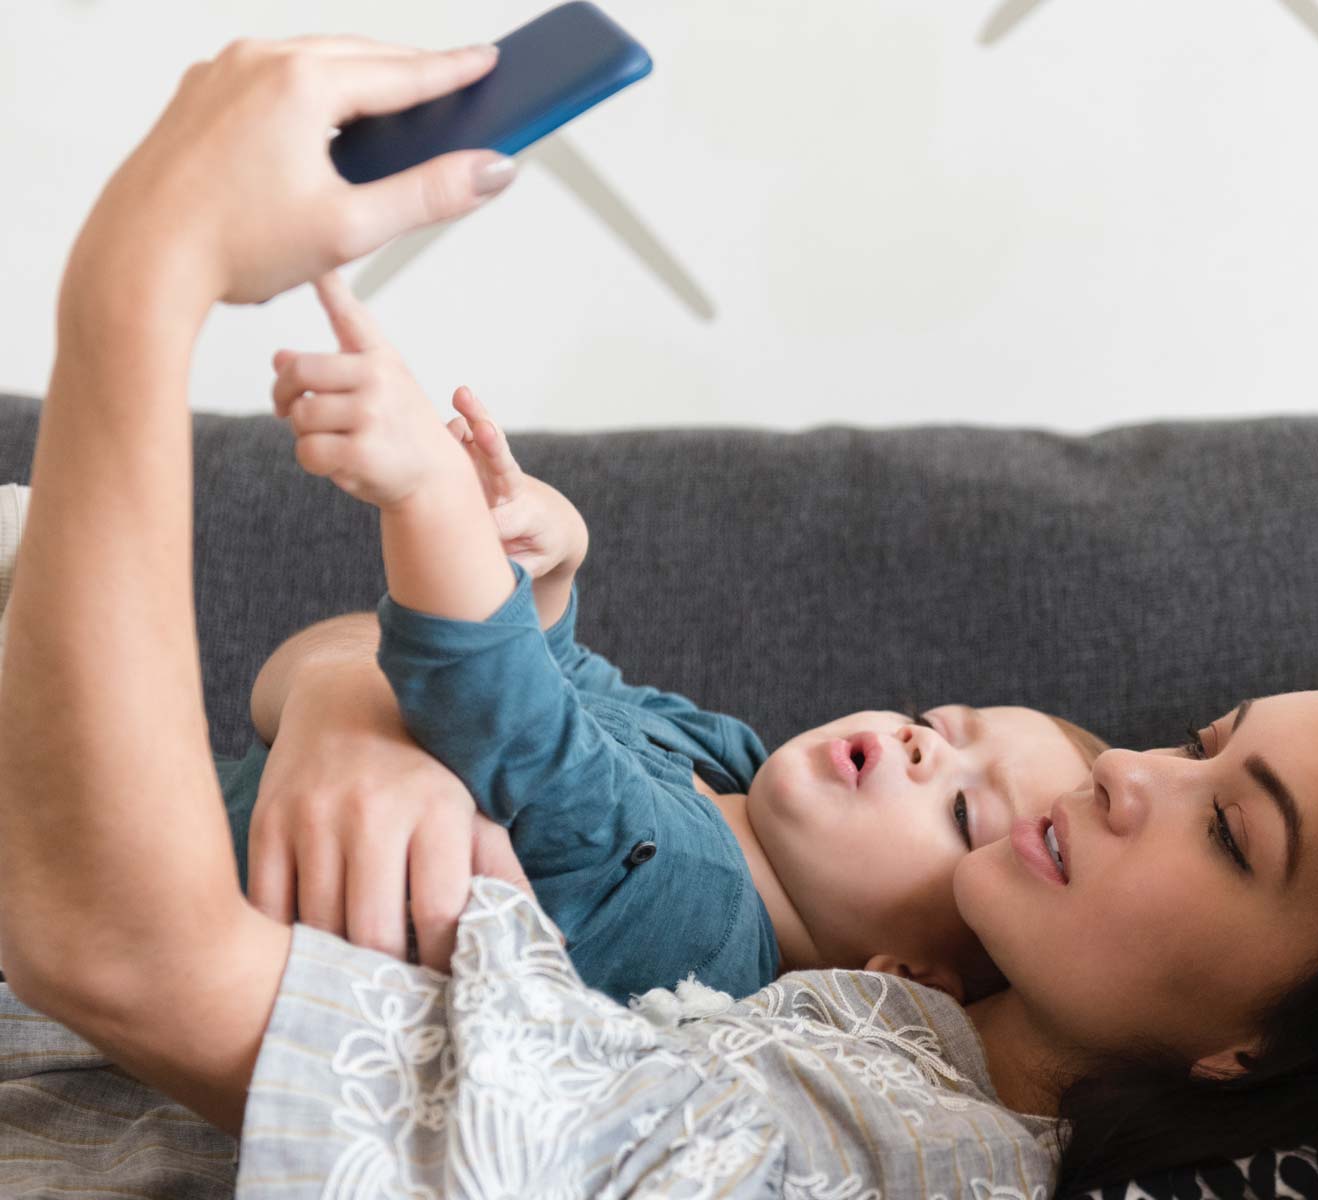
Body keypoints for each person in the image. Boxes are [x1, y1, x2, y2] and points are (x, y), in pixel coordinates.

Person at [0, 34, 1318, 1200]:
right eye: (1197, 743)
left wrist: (146, 268)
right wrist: (371, 710)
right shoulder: (870, 983)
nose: (1128, 777)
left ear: (1260, 1058)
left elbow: (117, 948)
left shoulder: (843, 1145)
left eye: (1236, 836)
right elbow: (473, 703)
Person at [211, 279, 1108, 1006]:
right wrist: (552, 563)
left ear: (904, 976)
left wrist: (429, 493)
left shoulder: (694, 920)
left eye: (961, 813)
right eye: (942, 725)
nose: (925, 748)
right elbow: (564, 680)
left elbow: (509, 717)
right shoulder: (724, 760)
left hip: (175, 909)